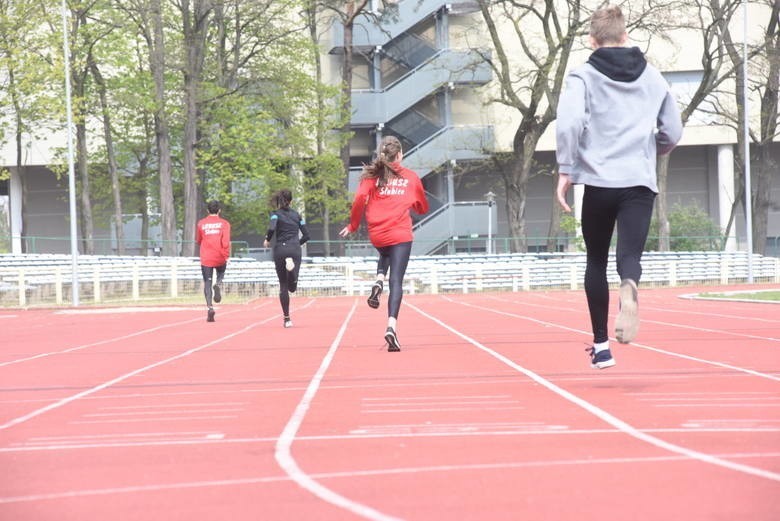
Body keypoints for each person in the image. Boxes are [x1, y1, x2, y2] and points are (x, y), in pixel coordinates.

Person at [555, 5, 682, 369]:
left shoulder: (582, 76)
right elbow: (672, 131)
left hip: (598, 182)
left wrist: (567, 168)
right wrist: (648, 150)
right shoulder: (655, 77)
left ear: (592, 41)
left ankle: (601, 346)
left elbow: (568, 124)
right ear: (625, 36)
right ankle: (630, 284)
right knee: (629, 257)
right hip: (639, 181)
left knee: (595, 259)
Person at [339, 135, 429, 352]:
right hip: (400, 235)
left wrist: (352, 225)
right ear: (399, 155)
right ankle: (391, 327)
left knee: (385, 251)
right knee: (396, 281)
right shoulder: (411, 177)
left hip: (378, 235)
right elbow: (422, 207)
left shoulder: (371, 177)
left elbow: (359, 200)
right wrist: (413, 205)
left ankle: (379, 279)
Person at [263, 189, 310, 328]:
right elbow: (307, 235)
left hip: (280, 250)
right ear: (291, 201)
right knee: (293, 288)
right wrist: (297, 244)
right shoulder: (297, 215)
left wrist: (267, 239)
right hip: (295, 249)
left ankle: (287, 319)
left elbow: (272, 228)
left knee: (283, 286)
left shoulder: (275, 215)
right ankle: (292, 273)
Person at [196, 200, 231, 322]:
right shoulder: (225, 224)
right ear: (219, 210)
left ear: (207, 210)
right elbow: (225, 242)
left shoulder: (201, 223)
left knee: (207, 282)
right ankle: (219, 282)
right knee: (221, 272)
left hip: (206, 257)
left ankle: (210, 307)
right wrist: (226, 255)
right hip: (220, 255)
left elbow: (199, 240)